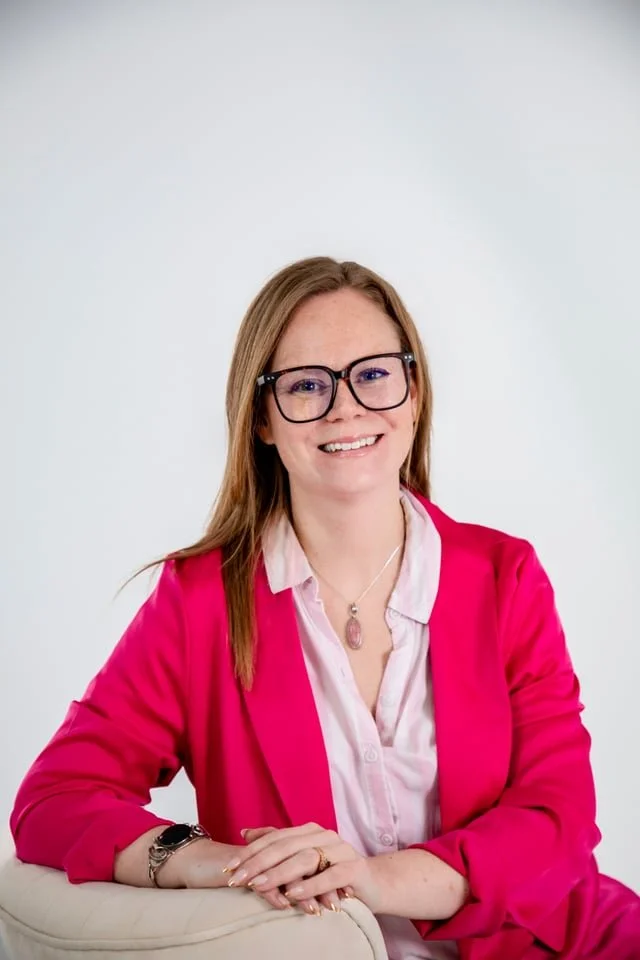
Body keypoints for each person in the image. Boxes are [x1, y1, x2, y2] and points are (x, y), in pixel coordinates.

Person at [10, 257, 639, 960]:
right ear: (263, 422)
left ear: (414, 392)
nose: (345, 407)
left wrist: (367, 879)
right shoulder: (199, 604)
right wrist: (213, 864)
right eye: (306, 385)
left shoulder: (504, 576)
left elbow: (558, 821)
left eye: (372, 373)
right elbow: (54, 800)